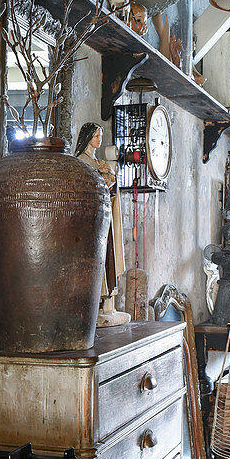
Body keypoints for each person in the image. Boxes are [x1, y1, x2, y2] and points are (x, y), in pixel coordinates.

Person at [75, 123, 129, 326]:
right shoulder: (81, 161)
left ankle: (108, 304)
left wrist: (110, 178)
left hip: (105, 217)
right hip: (91, 220)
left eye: (100, 136)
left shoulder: (97, 161)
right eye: (96, 136)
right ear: (88, 137)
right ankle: (93, 305)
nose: (99, 140)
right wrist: (105, 179)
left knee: (109, 257)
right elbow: (87, 188)